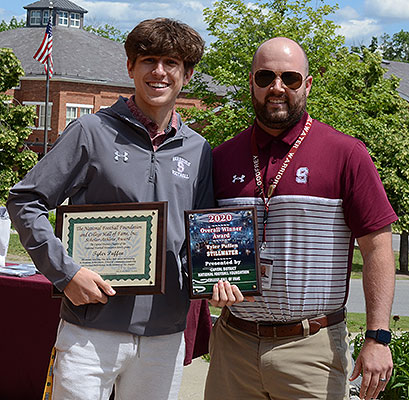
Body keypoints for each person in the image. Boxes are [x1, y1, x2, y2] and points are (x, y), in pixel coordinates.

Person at [7, 18, 213, 400]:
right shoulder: (90, 131)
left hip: (164, 333)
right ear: (130, 66)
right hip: (91, 327)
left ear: (187, 73)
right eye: (148, 60)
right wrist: (65, 273)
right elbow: (25, 200)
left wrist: (217, 279)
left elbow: (202, 235)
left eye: (172, 62)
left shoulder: (199, 150)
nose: (159, 72)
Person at [206, 37, 397, 400]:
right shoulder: (221, 157)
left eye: (290, 78)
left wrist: (377, 335)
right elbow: (205, 244)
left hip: (312, 348)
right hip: (234, 343)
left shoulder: (346, 154)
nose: (277, 88)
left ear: (306, 85)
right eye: (265, 77)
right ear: (251, 82)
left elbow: (377, 250)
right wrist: (212, 284)